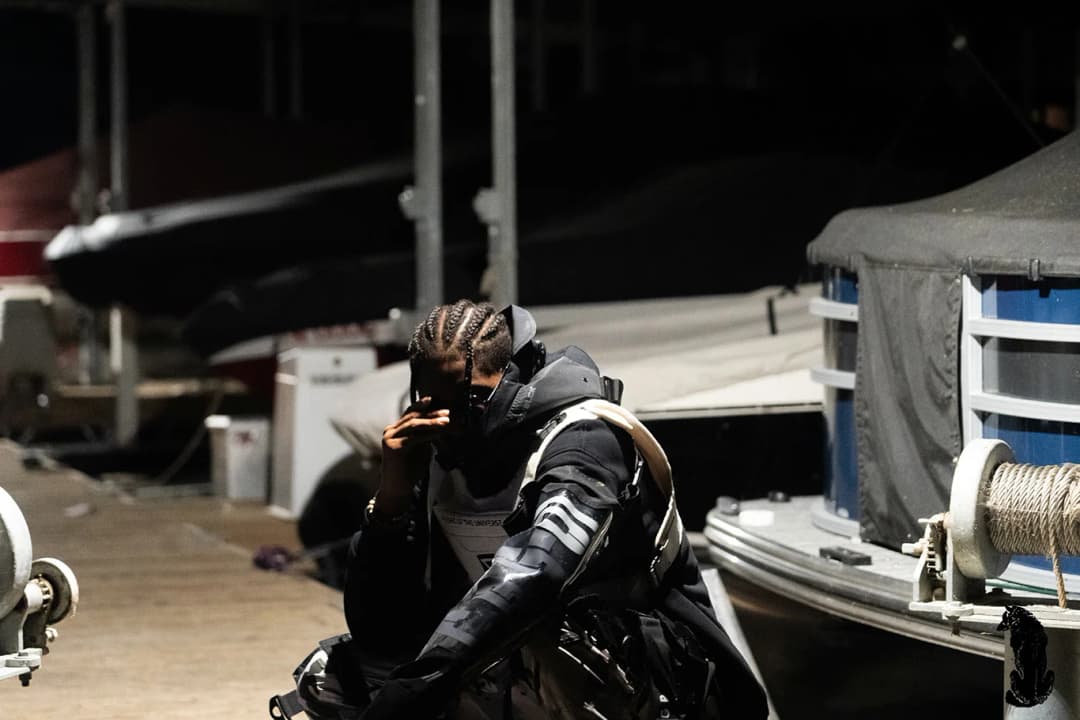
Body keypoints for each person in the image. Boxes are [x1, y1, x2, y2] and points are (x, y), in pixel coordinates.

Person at [271, 300, 767, 719]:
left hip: (661, 682)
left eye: (469, 402)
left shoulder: (585, 439)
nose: (451, 423)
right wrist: (393, 495)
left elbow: (533, 578)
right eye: (432, 403)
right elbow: (379, 628)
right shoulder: (436, 453)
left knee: (542, 638)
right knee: (334, 678)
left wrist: (413, 695)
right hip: (515, 665)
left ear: (514, 378)